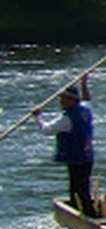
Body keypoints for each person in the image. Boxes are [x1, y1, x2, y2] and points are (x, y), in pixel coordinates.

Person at [34, 79, 97, 217]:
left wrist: (38, 117)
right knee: (79, 187)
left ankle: (87, 215)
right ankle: (79, 209)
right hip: (87, 157)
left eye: (64, 99)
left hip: (77, 157)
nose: (61, 102)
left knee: (79, 190)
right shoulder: (85, 110)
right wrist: (84, 84)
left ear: (73, 100)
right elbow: (87, 99)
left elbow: (47, 130)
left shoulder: (67, 118)